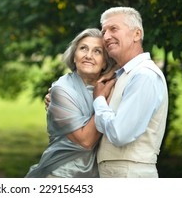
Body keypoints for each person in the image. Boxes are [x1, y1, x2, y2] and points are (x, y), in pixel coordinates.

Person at [25, 28, 116, 178]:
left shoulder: (112, 87)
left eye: (97, 51)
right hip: (61, 176)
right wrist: (102, 99)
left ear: (105, 62)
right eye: (83, 48)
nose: (88, 56)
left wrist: (111, 76)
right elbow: (85, 142)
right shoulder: (61, 89)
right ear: (74, 56)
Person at [92, 6, 169, 178]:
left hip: (130, 175)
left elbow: (120, 134)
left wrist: (98, 100)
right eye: (103, 31)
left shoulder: (144, 75)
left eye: (113, 29)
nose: (106, 36)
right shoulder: (123, 76)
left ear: (136, 34)